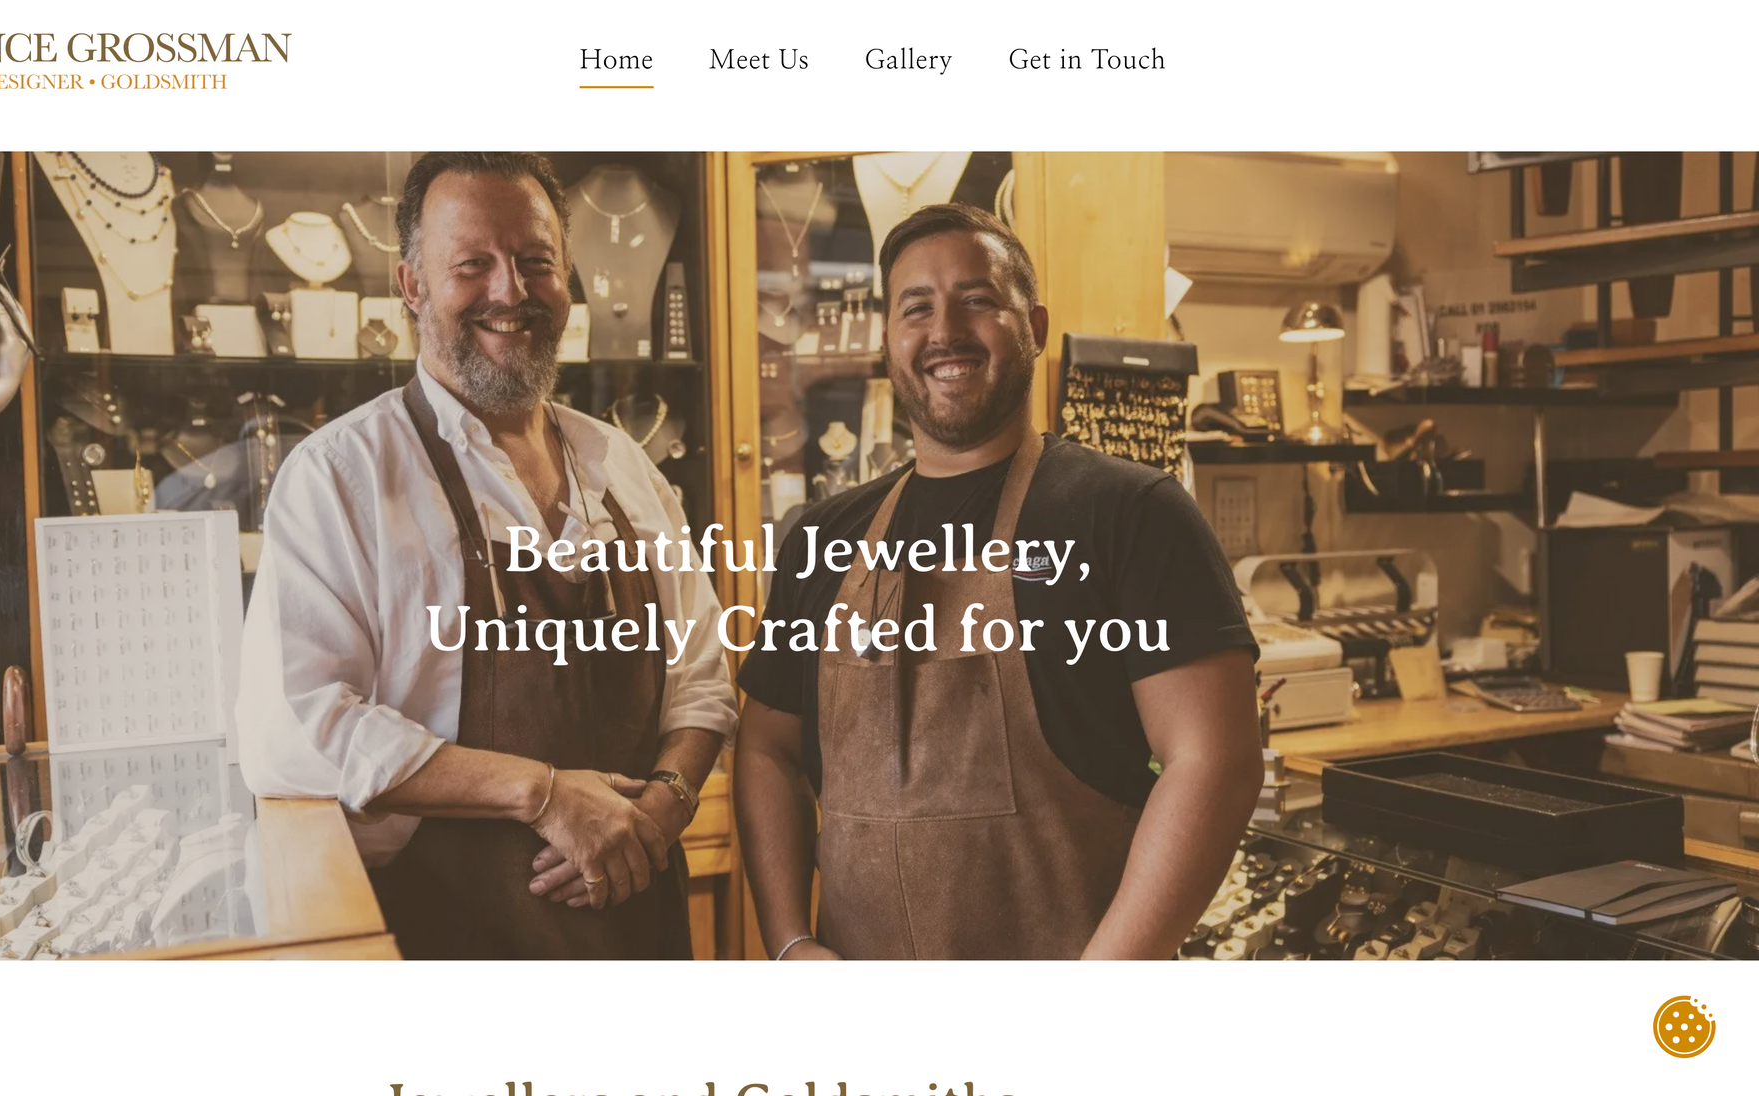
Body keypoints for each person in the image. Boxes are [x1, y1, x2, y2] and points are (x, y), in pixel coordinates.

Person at [236, 152, 736, 959]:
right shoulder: (341, 476)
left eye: (535, 261)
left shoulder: (622, 464)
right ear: (411, 286)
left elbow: (703, 676)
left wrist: (662, 809)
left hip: (643, 924)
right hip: (453, 944)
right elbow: (297, 728)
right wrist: (541, 795)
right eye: (473, 265)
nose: (511, 291)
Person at [734, 203, 1262, 960]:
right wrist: (788, 942)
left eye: (977, 300)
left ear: (1036, 327)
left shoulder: (1130, 514)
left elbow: (1216, 760)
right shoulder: (822, 539)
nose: (944, 331)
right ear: (888, 341)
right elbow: (765, 750)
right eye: (916, 308)